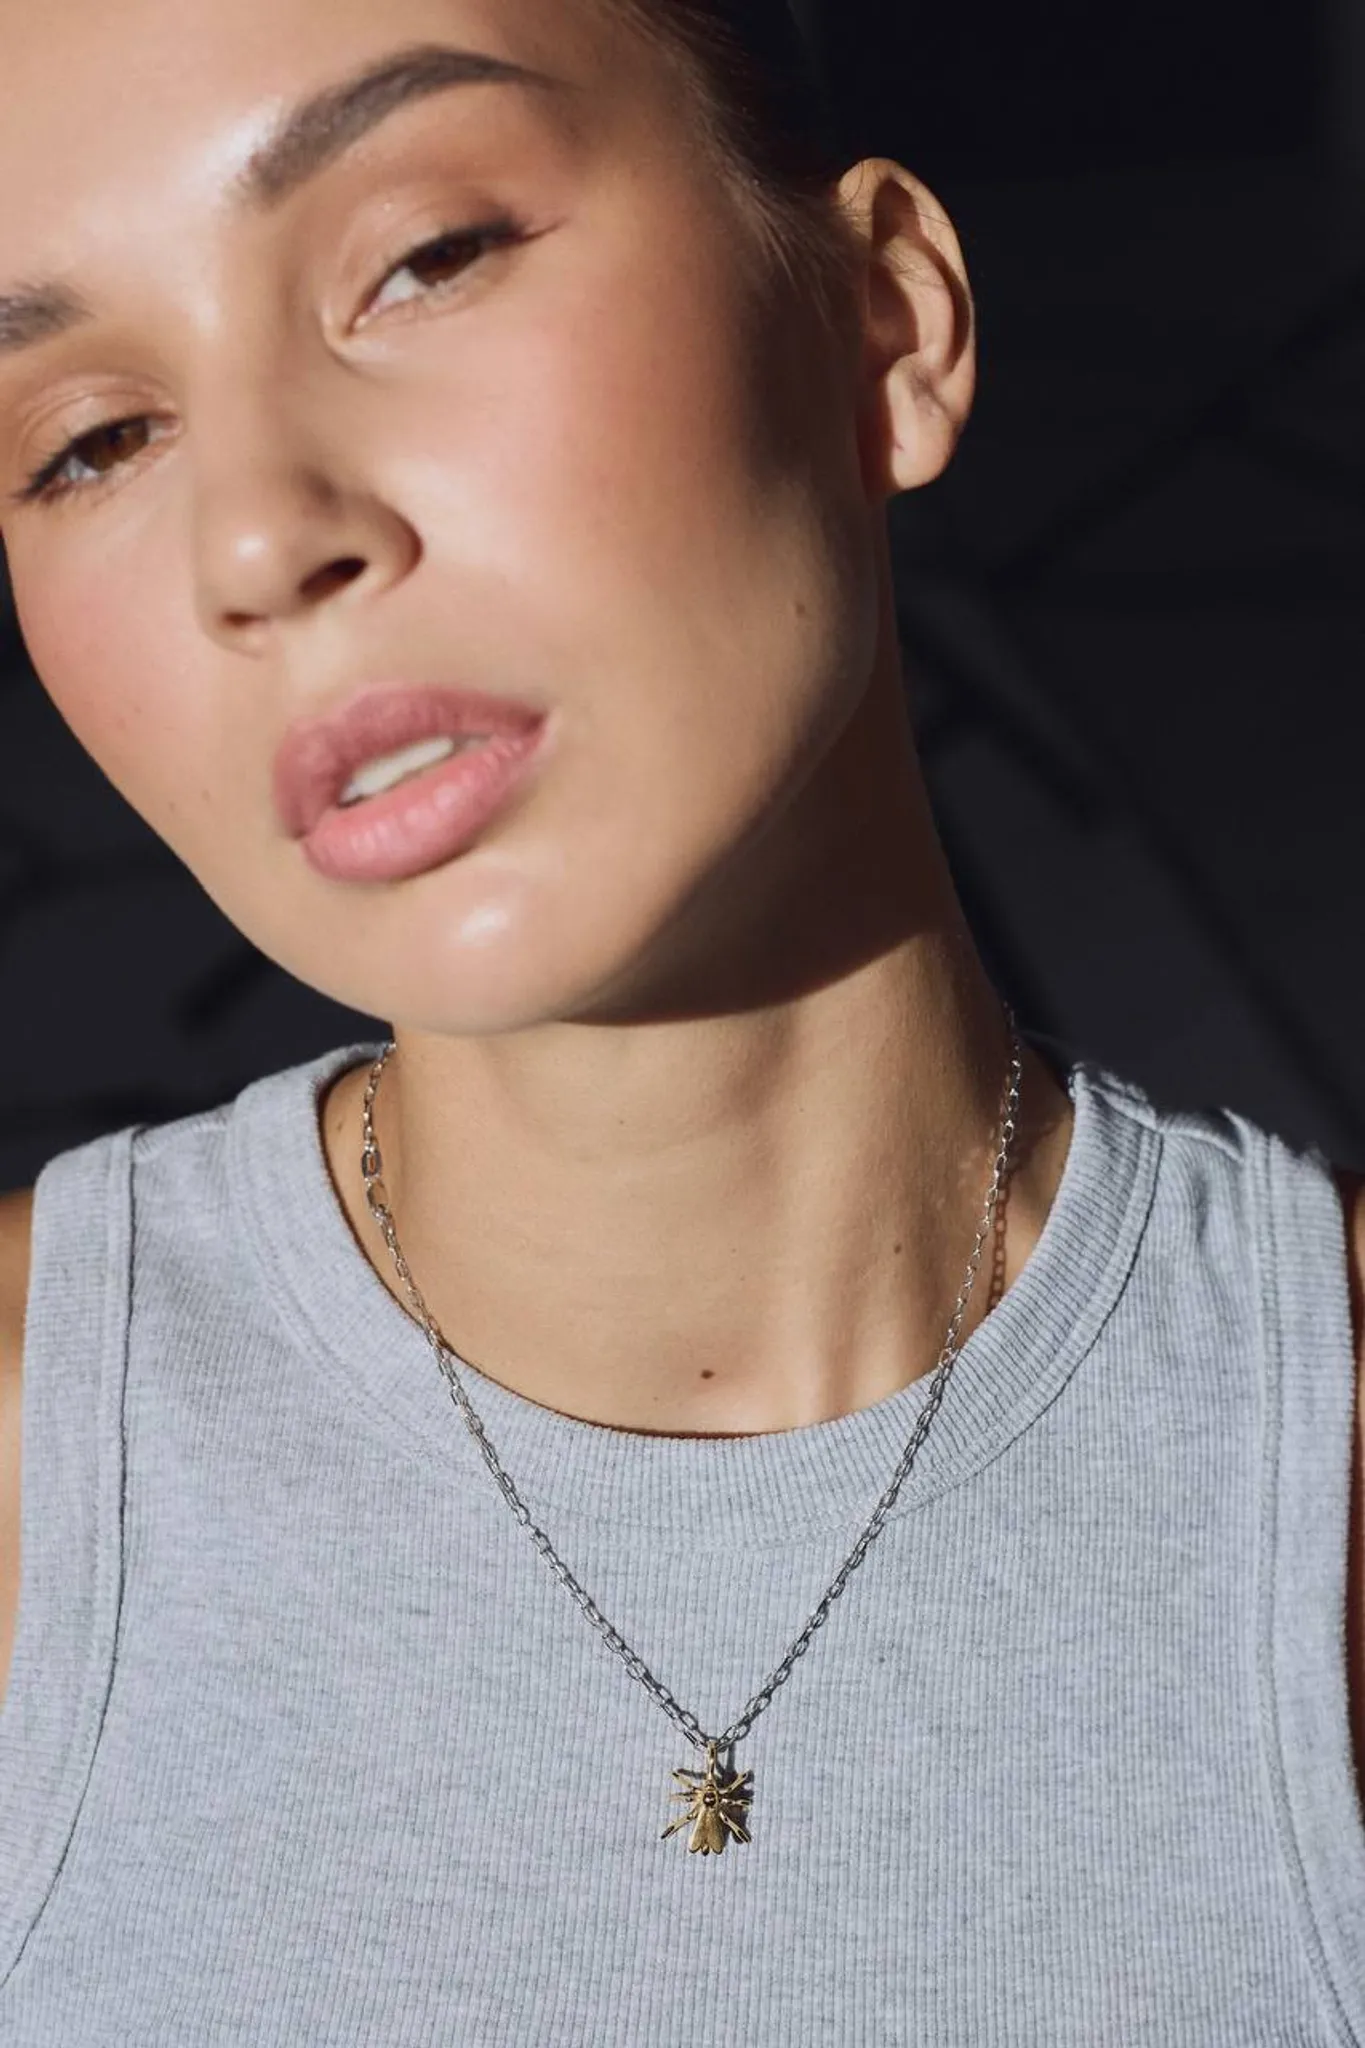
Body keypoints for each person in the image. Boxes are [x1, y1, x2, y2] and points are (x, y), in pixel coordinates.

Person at [0, 0, 1360, 2039]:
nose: (263, 538)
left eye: (423, 258)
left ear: (883, 320)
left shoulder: (1323, 1475)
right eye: (89, 440)